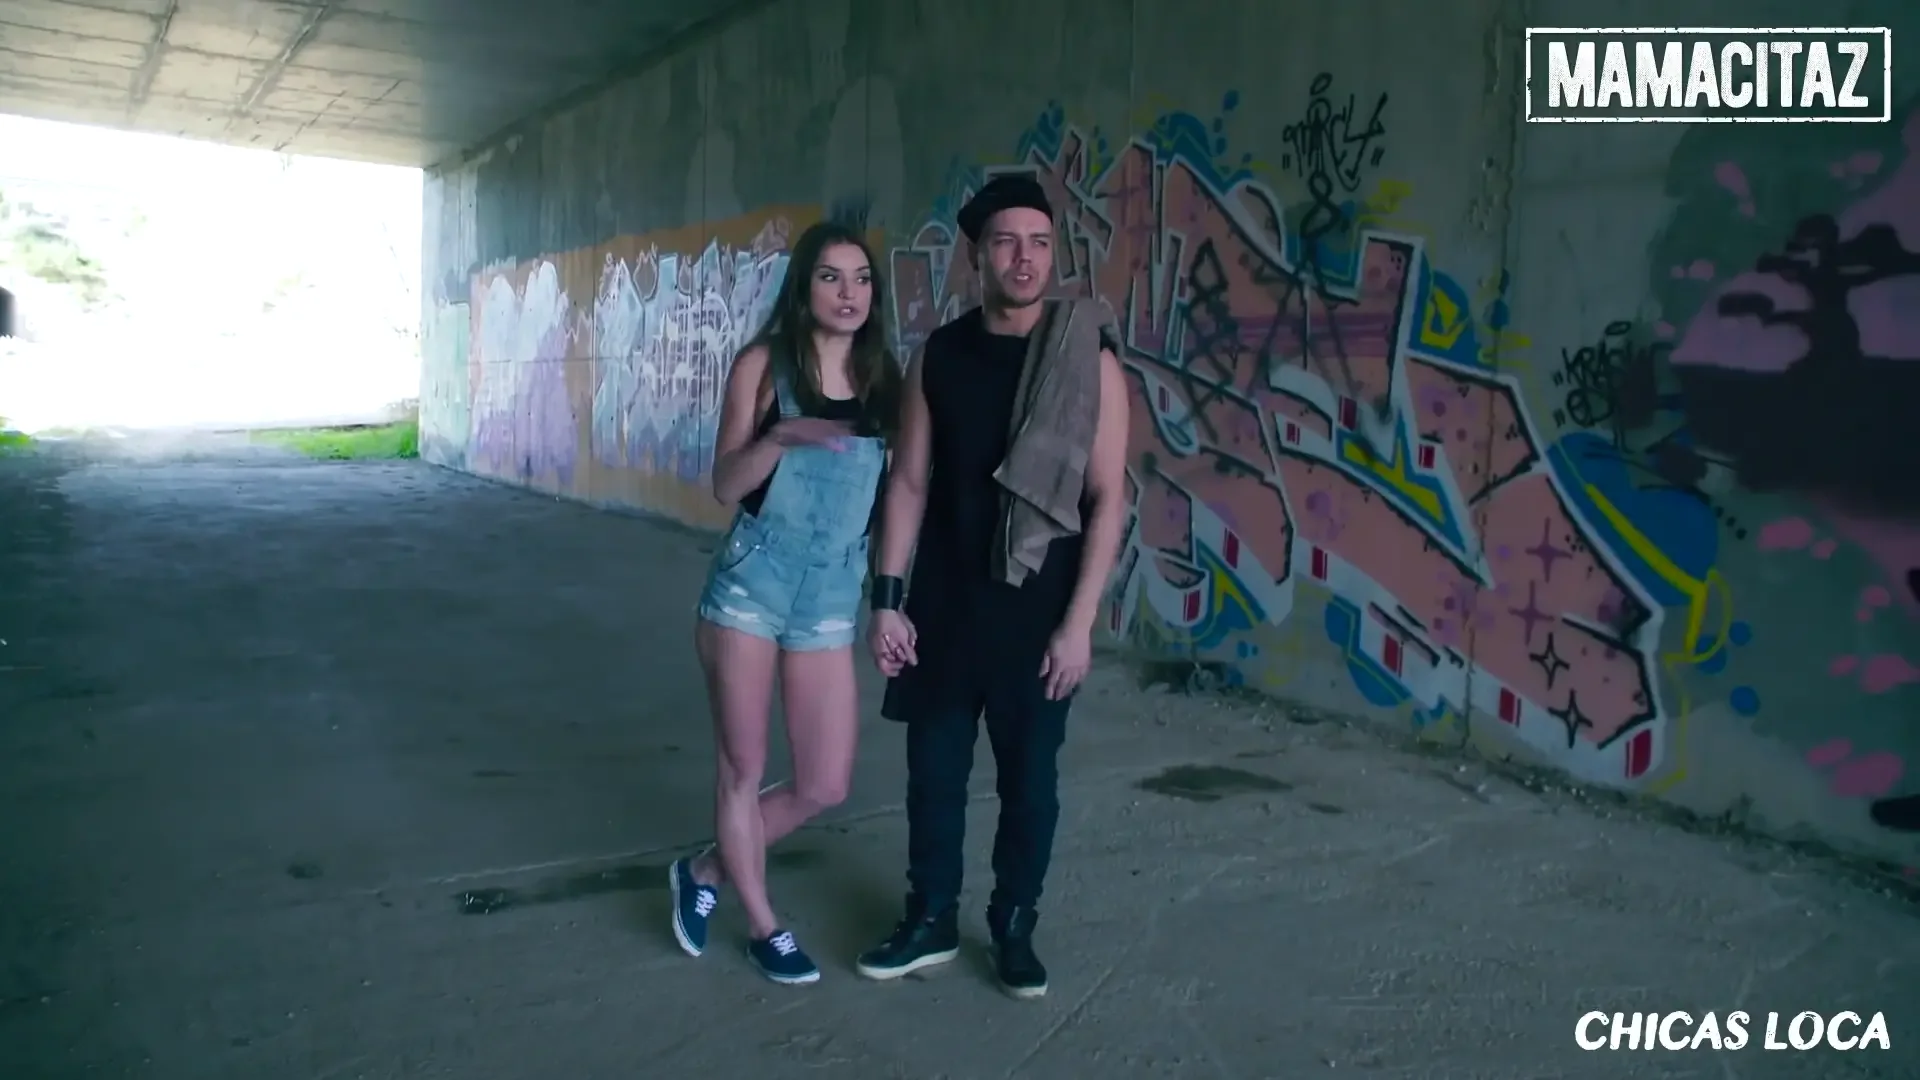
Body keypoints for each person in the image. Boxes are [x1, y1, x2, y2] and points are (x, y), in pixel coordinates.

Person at [853, 174, 1131, 998]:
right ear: (977, 255)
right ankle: (930, 917)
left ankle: (1015, 923)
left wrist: (1078, 625)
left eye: (1040, 242)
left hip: (1038, 610)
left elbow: (1108, 498)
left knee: (1029, 783)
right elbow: (908, 482)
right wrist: (887, 599)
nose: (1025, 258)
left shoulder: (1088, 357)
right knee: (933, 776)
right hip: (944, 602)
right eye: (1007, 242)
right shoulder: (939, 355)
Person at [669, 219, 902, 985]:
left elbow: (898, 494)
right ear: (804, 289)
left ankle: (704, 871)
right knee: (742, 766)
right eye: (831, 277)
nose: (848, 293)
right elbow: (725, 485)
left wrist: (891, 598)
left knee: (825, 782)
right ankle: (766, 927)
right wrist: (779, 437)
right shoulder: (764, 366)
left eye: (861, 278)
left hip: (831, 593)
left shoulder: (883, 380)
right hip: (752, 586)